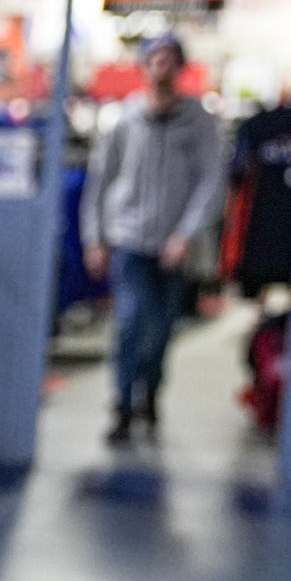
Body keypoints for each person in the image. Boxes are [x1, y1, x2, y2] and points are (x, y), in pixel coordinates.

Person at [81, 34, 225, 444]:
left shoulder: (198, 123)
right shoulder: (123, 122)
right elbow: (101, 183)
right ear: (144, 68)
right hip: (128, 241)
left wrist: (186, 233)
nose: (162, 69)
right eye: (155, 61)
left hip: (173, 248)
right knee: (129, 324)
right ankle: (122, 404)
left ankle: (151, 391)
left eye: (169, 61)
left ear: (180, 68)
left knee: (161, 329)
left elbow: (211, 183)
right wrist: (96, 238)